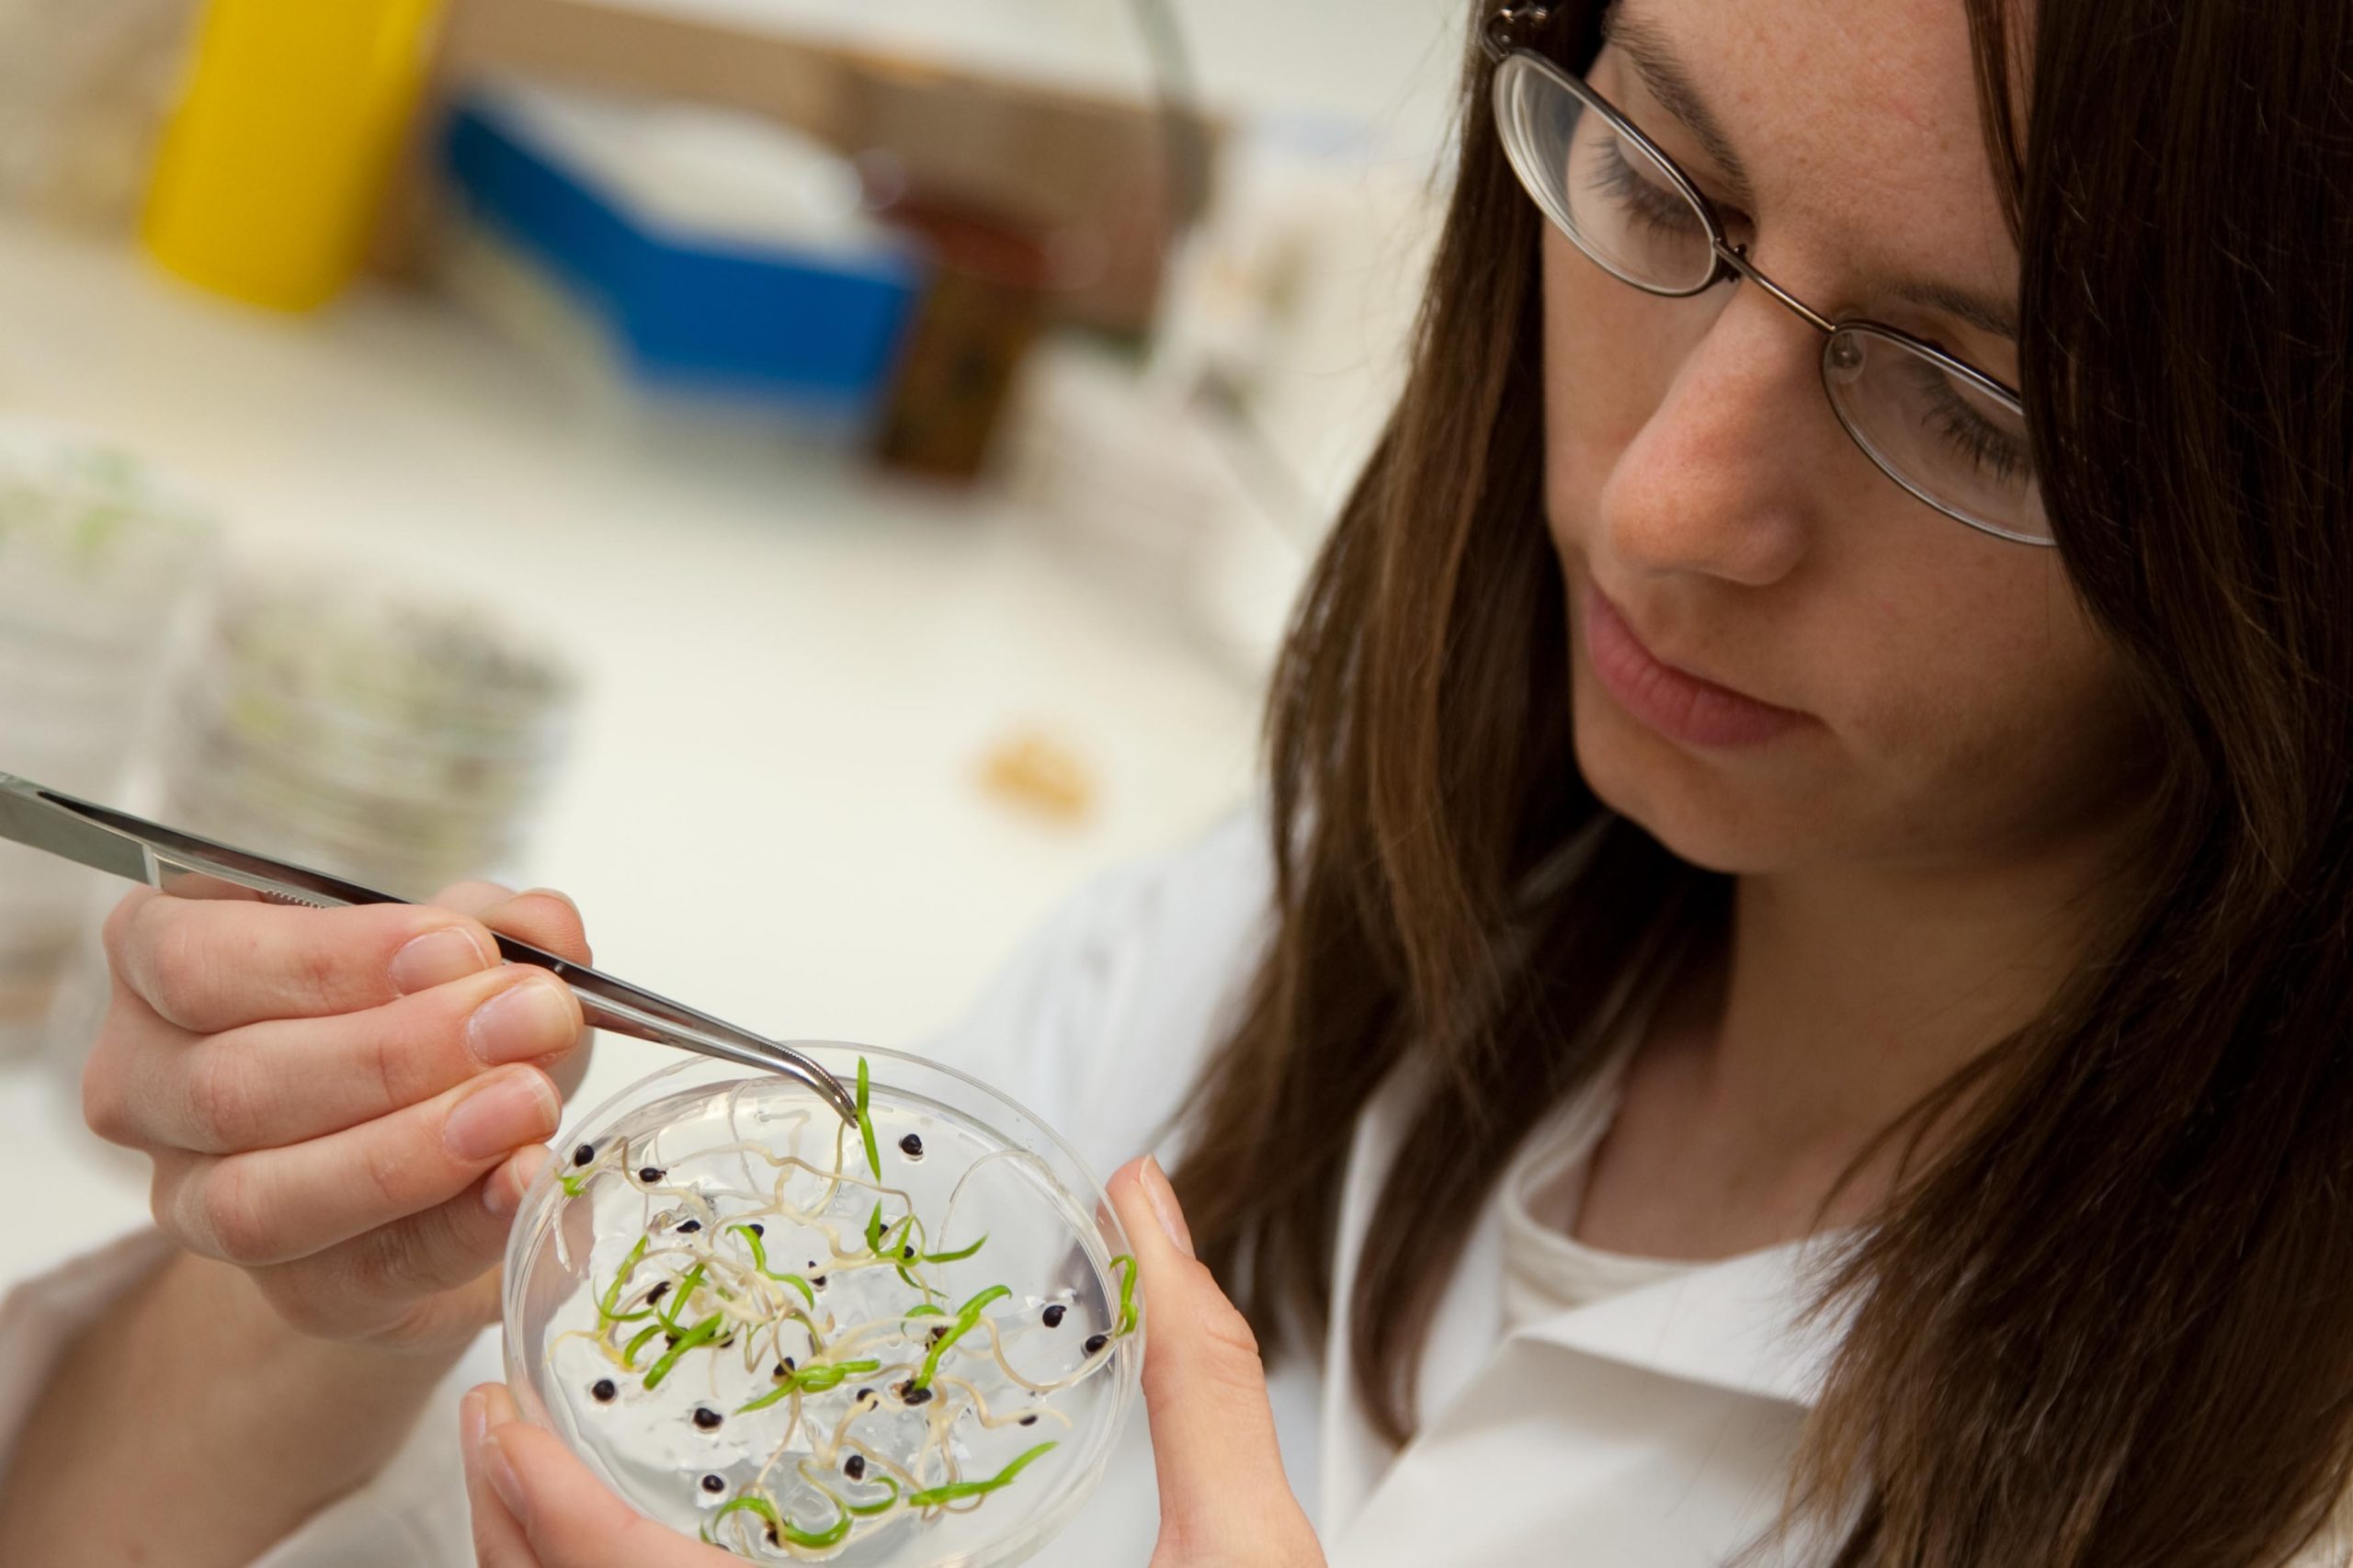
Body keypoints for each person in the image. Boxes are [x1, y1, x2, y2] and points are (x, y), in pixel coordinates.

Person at [3, 0, 2348, 1562]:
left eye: (1964, 408)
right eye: (1658, 194)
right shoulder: (1287, 933)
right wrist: (316, 1306)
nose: (1663, 511)